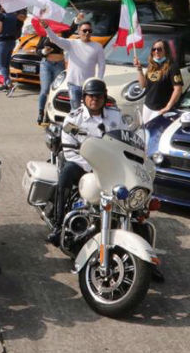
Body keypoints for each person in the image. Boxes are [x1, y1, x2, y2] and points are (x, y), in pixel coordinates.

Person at [47, 78, 126, 245]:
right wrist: (92, 167)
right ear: (83, 97)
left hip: (109, 165)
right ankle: (58, 224)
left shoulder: (116, 117)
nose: (94, 99)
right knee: (66, 175)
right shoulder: (73, 119)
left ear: (105, 97)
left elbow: (126, 140)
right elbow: (69, 151)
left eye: (98, 96)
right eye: (90, 96)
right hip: (82, 165)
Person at [45, 21, 105, 110]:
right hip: (73, 85)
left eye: (89, 31)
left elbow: (102, 65)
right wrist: (46, 27)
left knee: (88, 110)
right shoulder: (71, 44)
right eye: (84, 30)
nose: (87, 33)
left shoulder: (97, 46)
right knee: (75, 110)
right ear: (79, 31)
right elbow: (55, 39)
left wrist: (98, 81)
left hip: (88, 86)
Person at [133, 39, 184, 125]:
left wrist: (168, 107)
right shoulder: (152, 65)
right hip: (148, 106)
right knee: (146, 130)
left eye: (159, 49)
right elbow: (143, 85)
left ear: (166, 51)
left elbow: (178, 89)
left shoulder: (172, 67)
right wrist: (139, 69)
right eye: (154, 49)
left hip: (161, 108)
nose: (156, 51)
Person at [33, 23, 70, 125]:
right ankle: (40, 112)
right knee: (45, 90)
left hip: (59, 65)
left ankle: (48, 114)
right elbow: (38, 50)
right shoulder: (45, 34)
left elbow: (72, 29)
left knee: (54, 91)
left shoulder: (63, 32)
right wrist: (44, 51)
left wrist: (77, 20)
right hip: (46, 64)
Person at [0, 6, 26, 92]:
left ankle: (8, 83)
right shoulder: (15, 16)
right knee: (6, 64)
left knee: (0, 65)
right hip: (12, 41)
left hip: (3, 41)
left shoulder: (1, 16)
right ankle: (5, 84)